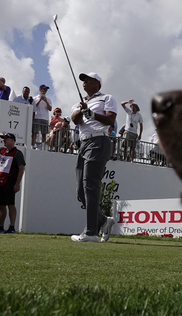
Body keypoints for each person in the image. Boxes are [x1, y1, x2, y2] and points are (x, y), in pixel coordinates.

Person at [70, 72, 117, 243]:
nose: (84, 82)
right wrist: (82, 110)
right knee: (81, 191)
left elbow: (110, 119)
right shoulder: (79, 103)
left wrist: (91, 114)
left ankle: (91, 232)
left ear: (97, 83)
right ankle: (104, 220)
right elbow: (75, 120)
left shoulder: (106, 98)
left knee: (91, 185)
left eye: (88, 80)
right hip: (83, 144)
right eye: (83, 80)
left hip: (99, 140)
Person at [0, 132, 25, 234]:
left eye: (7, 139)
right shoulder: (1, 151)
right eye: (4, 139)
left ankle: (12, 227)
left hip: (10, 181)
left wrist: (17, 183)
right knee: (1, 205)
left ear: (12, 141)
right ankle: (0, 227)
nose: (4, 141)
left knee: (11, 204)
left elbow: (21, 168)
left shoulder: (17, 153)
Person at [33, 84, 52, 150]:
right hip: (37, 117)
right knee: (34, 133)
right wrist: (40, 100)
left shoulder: (48, 99)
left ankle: (43, 146)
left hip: (45, 118)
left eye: (46, 89)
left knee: (44, 134)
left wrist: (46, 101)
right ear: (40, 89)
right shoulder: (35, 98)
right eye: (43, 89)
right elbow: (34, 107)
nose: (45, 90)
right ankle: (32, 145)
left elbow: (50, 109)